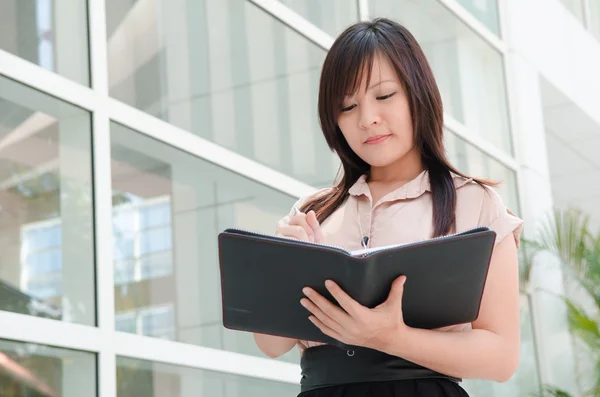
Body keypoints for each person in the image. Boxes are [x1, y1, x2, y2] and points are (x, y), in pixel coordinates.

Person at [253, 17, 523, 397]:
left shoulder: (475, 203)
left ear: (418, 94)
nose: (367, 119)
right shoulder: (313, 211)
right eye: (348, 106)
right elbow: (270, 345)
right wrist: (281, 265)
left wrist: (394, 338)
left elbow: (501, 356)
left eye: (383, 96)